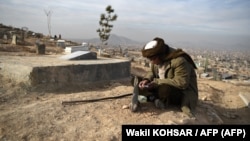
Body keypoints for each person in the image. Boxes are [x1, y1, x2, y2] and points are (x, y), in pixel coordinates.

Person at [130, 37, 198, 117]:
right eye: (150, 59)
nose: (152, 62)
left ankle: (153, 98)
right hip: (159, 85)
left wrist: (157, 82)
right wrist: (146, 79)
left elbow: (182, 83)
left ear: (161, 55)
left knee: (164, 89)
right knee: (136, 81)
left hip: (179, 92)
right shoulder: (156, 59)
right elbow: (152, 72)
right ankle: (154, 98)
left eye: (153, 59)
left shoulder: (179, 60)